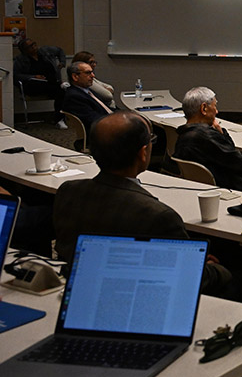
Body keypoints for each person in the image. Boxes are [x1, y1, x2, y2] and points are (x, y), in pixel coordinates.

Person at [52, 111, 232, 296]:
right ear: (143, 152)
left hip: (78, 286)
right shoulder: (158, 215)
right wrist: (214, 269)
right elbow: (189, 278)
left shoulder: (68, 191)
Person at [174, 86, 242, 191]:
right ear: (204, 108)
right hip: (235, 185)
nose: (216, 111)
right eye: (214, 106)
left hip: (202, 187)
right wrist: (221, 133)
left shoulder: (183, 134)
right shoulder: (207, 136)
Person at [13, 38, 65, 126]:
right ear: (25, 50)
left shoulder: (44, 52)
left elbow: (59, 50)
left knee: (62, 91)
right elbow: (16, 76)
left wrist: (62, 62)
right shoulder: (21, 60)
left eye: (34, 44)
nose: (34, 47)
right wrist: (33, 76)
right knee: (56, 88)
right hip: (33, 84)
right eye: (30, 46)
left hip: (50, 82)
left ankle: (59, 119)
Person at [61, 60, 113, 133]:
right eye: (88, 73)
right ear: (75, 77)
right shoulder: (74, 96)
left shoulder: (86, 90)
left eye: (92, 72)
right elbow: (95, 120)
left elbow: (106, 108)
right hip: (103, 132)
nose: (93, 76)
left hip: (109, 122)